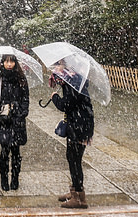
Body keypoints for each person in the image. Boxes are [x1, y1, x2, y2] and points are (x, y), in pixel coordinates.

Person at [51, 59, 94, 209]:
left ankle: (80, 199)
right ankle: (74, 191)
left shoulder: (73, 82)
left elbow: (66, 105)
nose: (56, 68)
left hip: (80, 126)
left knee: (75, 160)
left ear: (66, 66)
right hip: (79, 124)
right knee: (72, 158)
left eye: (58, 65)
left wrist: (55, 97)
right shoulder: (72, 79)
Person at [0, 54, 29, 191]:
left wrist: (22, 112)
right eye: (6, 61)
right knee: (4, 151)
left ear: (15, 62)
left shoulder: (21, 78)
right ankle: (4, 178)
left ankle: (16, 177)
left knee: (16, 152)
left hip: (17, 119)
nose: (9, 64)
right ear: (2, 62)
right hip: (3, 119)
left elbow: (25, 98)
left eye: (12, 61)